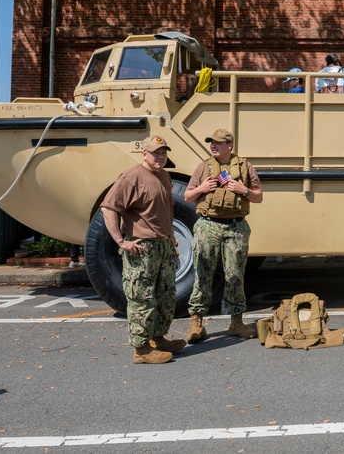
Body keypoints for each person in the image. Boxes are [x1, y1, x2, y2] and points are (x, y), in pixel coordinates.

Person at [100, 135, 186, 364]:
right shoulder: (132, 177)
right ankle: (141, 349)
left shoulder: (164, 175)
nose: (160, 156)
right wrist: (121, 241)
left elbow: (163, 209)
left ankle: (158, 338)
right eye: (155, 153)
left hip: (163, 246)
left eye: (163, 152)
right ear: (144, 154)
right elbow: (108, 209)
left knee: (165, 296)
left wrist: (170, 235)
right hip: (142, 248)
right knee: (142, 299)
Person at [185, 128, 264, 342]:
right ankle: (196, 323)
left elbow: (258, 197)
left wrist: (243, 190)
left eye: (218, 143)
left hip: (235, 226)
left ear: (229, 146)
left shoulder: (245, 167)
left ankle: (236, 322)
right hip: (208, 224)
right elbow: (188, 196)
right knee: (202, 273)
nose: (213, 145)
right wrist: (201, 187)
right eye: (212, 142)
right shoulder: (203, 167)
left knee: (235, 275)